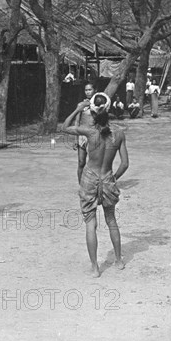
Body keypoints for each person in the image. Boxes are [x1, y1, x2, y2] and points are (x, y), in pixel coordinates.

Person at [62, 92, 129, 278]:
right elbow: (124, 164)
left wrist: (77, 109)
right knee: (111, 220)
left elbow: (64, 127)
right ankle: (119, 260)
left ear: (92, 111)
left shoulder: (90, 132)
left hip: (89, 179)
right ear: (109, 109)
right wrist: (113, 177)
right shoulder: (119, 133)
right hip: (107, 179)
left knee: (90, 223)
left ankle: (95, 267)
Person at [73, 82, 96, 183]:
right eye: (86, 90)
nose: (88, 92)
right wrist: (75, 138)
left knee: (94, 163)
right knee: (81, 162)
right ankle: (81, 186)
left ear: (94, 90)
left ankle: (93, 186)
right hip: (82, 136)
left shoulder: (98, 103)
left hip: (94, 136)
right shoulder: (81, 105)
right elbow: (77, 121)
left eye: (90, 89)